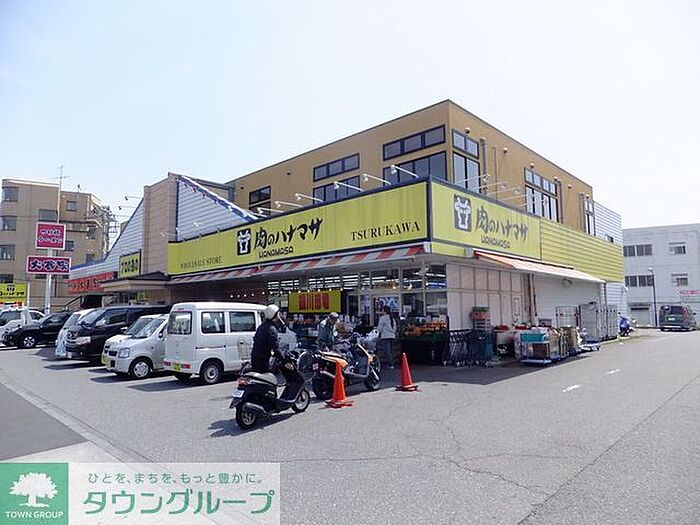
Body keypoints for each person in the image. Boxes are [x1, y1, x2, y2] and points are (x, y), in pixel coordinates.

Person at [250, 304, 285, 373]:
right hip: (263, 360)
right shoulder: (271, 329)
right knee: (267, 377)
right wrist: (283, 359)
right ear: (274, 315)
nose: (279, 315)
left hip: (256, 357)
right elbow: (275, 347)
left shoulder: (262, 326)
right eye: (278, 313)